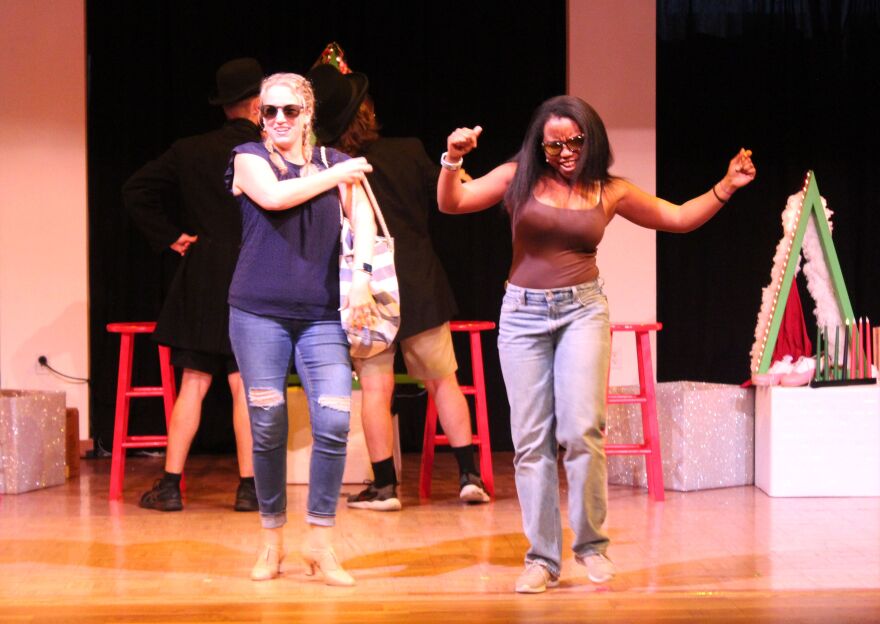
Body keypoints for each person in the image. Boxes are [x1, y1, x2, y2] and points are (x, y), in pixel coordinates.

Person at [437, 96, 756, 593]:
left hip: (582, 310)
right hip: (522, 316)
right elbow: (451, 202)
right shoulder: (518, 177)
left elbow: (676, 218)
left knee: (583, 429)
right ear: (541, 147)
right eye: (555, 144)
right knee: (530, 441)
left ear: (591, 139)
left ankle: (591, 547)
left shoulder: (611, 191)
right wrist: (453, 161)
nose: (566, 151)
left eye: (575, 141)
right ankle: (542, 559)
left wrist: (725, 187)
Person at [306, 61, 491, 511]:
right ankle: (469, 476)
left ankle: (385, 486)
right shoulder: (408, 150)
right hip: (420, 285)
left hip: (367, 291)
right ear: (367, 112)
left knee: (375, 387)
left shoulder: (330, 167)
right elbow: (458, 190)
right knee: (443, 381)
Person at [226, 72, 376, 585]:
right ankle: (272, 541)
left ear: (308, 115)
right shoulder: (249, 157)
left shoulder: (336, 163)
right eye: (269, 111)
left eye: (290, 111)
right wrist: (342, 174)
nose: (279, 120)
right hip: (257, 312)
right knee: (266, 426)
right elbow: (273, 198)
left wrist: (361, 279)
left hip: (322, 316)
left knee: (333, 422)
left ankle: (321, 542)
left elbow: (367, 224)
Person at [123, 57, 264, 512]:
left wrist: (171, 237)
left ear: (224, 105)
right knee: (245, 385)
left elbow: (136, 189)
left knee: (194, 383)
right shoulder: (269, 151)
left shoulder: (190, 149)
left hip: (203, 276)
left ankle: (168, 486)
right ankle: (250, 489)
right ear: (259, 102)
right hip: (253, 274)